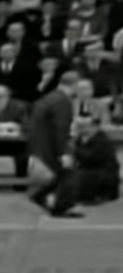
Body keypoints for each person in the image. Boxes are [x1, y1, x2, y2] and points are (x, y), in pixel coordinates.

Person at [28, 70, 79, 218]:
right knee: (68, 174)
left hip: (41, 143)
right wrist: (64, 152)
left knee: (60, 175)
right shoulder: (62, 101)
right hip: (51, 145)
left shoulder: (48, 98)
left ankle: (41, 196)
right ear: (74, 85)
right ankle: (59, 207)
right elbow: (61, 127)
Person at [72, 116, 120, 205]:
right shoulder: (82, 139)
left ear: (92, 126)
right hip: (91, 169)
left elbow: (93, 157)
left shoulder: (101, 139)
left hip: (103, 172)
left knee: (85, 176)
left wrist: (75, 151)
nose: (79, 129)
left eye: (82, 126)